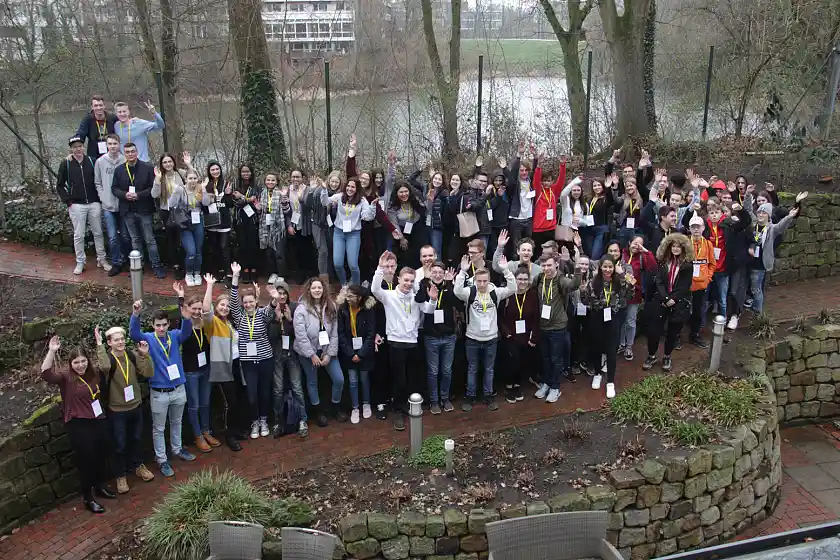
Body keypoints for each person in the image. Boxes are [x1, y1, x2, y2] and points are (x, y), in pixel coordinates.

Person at [40, 337, 115, 513]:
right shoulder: (66, 377)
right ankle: (88, 499)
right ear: (70, 363)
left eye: (83, 361)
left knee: (100, 456)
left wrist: (99, 343)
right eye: (76, 362)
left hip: (97, 419)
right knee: (87, 461)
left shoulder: (93, 373)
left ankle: (99, 486)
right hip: (79, 424)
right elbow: (45, 373)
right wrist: (52, 350)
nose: (80, 365)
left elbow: (103, 375)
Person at [129, 299, 196, 477]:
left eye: (164, 325)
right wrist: (136, 314)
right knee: (158, 428)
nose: (161, 328)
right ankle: (162, 459)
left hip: (178, 388)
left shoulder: (174, 336)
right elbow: (134, 334)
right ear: (152, 325)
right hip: (159, 392)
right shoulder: (149, 339)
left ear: (168, 324)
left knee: (177, 422)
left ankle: (177, 449)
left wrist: (187, 318)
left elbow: (186, 333)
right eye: (158, 325)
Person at [95, 325, 154, 494]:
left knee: (136, 439)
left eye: (122, 339)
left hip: (135, 406)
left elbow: (149, 373)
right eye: (116, 340)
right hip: (117, 410)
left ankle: (138, 466)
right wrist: (99, 345)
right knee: (120, 445)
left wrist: (145, 355)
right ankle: (120, 475)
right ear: (109, 343)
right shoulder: (109, 359)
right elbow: (104, 368)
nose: (120, 342)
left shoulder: (131, 356)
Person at [454, 255, 517, 411]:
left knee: (489, 369)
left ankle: (488, 396)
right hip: (472, 338)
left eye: (485, 281)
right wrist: (462, 272)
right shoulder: (470, 292)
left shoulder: (495, 292)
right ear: (475, 280)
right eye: (479, 281)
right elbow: (457, 291)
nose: (482, 284)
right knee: (472, 368)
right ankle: (470, 396)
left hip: (491, 338)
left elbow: (513, 288)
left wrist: (506, 271)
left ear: (489, 280)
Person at [371, 254, 424, 430]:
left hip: (413, 342)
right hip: (395, 343)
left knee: (412, 379)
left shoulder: (416, 297)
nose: (408, 283)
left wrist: (430, 297)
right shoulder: (389, 295)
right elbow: (374, 289)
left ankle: (410, 406)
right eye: (405, 280)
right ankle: (398, 411)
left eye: (411, 281)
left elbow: (429, 309)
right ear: (398, 279)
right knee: (399, 380)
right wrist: (380, 268)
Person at [229, 262, 277, 438]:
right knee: (251, 395)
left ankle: (264, 420)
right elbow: (233, 301)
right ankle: (254, 421)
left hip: (265, 360)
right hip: (248, 363)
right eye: (246, 302)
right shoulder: (239, 316)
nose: (248, 304)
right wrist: (235, 277)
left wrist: (274, 298)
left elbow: (271, 309)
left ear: (256, 302)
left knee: (265, 392)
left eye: (251, 302)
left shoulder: (262, 314)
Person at [200, 274, 247, 451]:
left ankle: (236, 430)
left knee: (239, 399)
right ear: (216, 307)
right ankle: (229, 435)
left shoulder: (231, 323)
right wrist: (210, 285)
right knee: (230, 402)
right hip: (222, 368)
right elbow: (205, 309)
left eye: (227, 306)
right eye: (221, 305)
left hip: (237, 365)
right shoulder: (212, 323)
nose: (225, 308)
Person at [172, 282, 218, 453]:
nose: (197, 312)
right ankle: (197, 435)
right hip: (191, 371)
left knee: (206, 403)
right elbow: (181, 313)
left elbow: (208, 310)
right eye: (194, 309)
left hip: (205, 370)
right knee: (194, 405)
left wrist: (209, 286)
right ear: (188, 309)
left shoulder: (205, 325)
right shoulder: (184, 327)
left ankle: (206, 431)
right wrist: (180, 297)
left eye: (199, 309)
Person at [581, 258, 636, 399]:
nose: (607, 270)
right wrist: (583, 291)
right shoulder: (594, 282)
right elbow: (585, 300)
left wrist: (622, 274)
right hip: (597, 318)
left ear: (614, 268)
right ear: (600, 268)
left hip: (613, 318)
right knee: (597, 348)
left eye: (610, 267)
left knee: (611, 350)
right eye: (605, 267)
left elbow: (632, 291)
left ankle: (610, 381)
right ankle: (598, 373)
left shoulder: (619, 281)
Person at [294, 276, 345, 427]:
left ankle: (335, 406)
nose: (317, 290)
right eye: (314, 288)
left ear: (324, 290)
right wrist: (311, 355)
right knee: (312, 381)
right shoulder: (301, 309)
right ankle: (318, 412)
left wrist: (329, 353)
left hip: (327, 350)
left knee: (339, 379)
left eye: (319, 288)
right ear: (309, 290)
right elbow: (301, 336)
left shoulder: (331, 306)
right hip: (308, 353)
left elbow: (335, 332)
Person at [57, 135, 110, 276]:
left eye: (80, 146)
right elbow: (60, 185)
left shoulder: (92, 161)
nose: (78, 149)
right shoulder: (66, 164)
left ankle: (102, 259)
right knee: (79, 235)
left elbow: (99, 180)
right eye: (75, 147)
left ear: (83, 147)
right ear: (71, 149)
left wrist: (100, 198)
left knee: (98, 233)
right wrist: (68, 201)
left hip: (94, 203)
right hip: (76, 205)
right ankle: (80, 261)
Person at [112, 142, 165, 278]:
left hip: (144, 209)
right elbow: (114, 188)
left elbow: (152, 188)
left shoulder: (147, 168)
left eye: (132, 151)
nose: (130, 154)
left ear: (137, 152)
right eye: (127, 152)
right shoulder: (119, 170)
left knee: (149, 239)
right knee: (134, 239)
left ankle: (156, 265)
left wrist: (138, 195)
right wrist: (125, 195)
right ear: (124, 154)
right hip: (127, 210)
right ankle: (138, 266)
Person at [534, 252, 582, 402]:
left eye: (549, 265)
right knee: (545, 358)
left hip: (558, 326)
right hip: (543, 326)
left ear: (556, 264)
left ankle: (555, 387)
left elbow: (574, 284)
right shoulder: (540, 278)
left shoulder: (560, 279)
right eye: (544, 265)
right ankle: (547, 383)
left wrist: (577, 266)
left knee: (556, 358)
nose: (546, 268)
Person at [643, 234, 694, 372]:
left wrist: (673, 299)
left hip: (677, 302)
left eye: (679, 246)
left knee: (672, 332)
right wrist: (666, 298)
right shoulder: (663, 261)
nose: (676, 249)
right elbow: (658, 281)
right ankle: (651, 355)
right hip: (661, 301)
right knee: (654, 331)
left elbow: (685, 285)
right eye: (674, 246)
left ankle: (667, 356)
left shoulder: (687, 265)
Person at [747, 198, 804, 314]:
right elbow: (748, 210)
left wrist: (789, 217)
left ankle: (757, 312)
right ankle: (758, 308)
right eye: (759, 212)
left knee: (755, 289)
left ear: (769, 215)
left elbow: (781, 226)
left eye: (764, 212)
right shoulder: (754, 224)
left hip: (761, 264)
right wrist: (747, 195)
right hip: (751, 262)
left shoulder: (771, 228)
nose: (761, 214)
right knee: (759, 288)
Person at [415, 262, 458, 413]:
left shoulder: (448, 286)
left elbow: (455, 302)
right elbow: (419, 300)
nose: (438, 275)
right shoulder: (423, 284)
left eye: (441, 272)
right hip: (431, 336)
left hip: (448, 335)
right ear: (430, 273)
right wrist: (430, 293)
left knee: (446, 370)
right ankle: (434, 401)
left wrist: (451, 283)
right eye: (435, 272)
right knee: (433, 371)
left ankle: (445, 398)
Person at [268, 277, 308, 437]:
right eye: (279, 293)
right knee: (277, 389)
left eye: (284, 293)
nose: (282, 296)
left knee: (297, 387)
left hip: (292, 351)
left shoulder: (295, 307)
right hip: (277, 352)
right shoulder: (270, 309)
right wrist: (277, 319)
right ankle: (278, 421)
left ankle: (302, 419)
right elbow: (270, 336)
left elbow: (299, 334)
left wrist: (290, 319)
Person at [498, 265, 541, 403]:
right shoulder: (508, 294)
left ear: (528, 280)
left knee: (522, 361)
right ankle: (509, 386)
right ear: (515, 279)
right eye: (519, 279)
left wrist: (534, 336)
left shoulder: (532, 295)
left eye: (524, 279)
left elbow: (536, 317)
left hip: (526, 336)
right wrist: (505, 332)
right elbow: (499, 316)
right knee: (512, 361)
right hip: (511, 335)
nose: (522, 282)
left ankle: (517, 385)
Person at [323, 176, 377, 285]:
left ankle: (356, 287)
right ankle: (344, 284)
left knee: (353, 265)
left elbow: (367, 217)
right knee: (337, 263)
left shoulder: (362, 200)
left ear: (357, 188)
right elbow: (325, 202)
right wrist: (324, 190)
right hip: (339, 233)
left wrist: (372, 207)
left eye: (353, 187)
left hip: (353, 234)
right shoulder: (340, 196)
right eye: (348, 186)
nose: (350, 189)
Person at [337, 285, 376, 423]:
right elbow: (340, 333)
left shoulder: (368, 309)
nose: (347, 298)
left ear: (359, 297)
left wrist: (361, 353)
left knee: (364, 379)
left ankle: (366, 404)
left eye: (351, 296)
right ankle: (355, 407)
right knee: (352, 381)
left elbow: (371, 334)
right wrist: (350, 353)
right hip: (349, 353)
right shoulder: (342, 310)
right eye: (347, 296)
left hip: (364, 353)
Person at [152, 151, 192, 279]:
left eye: (170, 161)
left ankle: (185, 264)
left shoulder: (180, 173)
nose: (168, 164)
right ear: (161, 164)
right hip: (167, 212)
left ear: (173, 162)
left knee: (183, 238)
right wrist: (157, 180)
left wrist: (189, 165)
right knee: (171, 239)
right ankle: (175, 266)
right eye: (165, 162)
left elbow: (195, 178)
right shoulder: (160, 176)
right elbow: (154, 194)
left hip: (182, 211)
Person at [168, 170, 212, 286]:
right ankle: (188, 273)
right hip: (185, 222)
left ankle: (197, 273)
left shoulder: (199, 189)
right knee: (191, 251)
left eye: (195, 178)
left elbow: (206, 203)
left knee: (198, 251)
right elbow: (171, 204)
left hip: (198, 221)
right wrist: (175, 192)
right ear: (186, 179)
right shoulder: (181, 189)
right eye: (190, 178)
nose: (193, 181)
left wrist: (203, 190)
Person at [94, 134, 129, 277]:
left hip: (123, 205)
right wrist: (103, 198)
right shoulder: (100, 162)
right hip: (108, 206)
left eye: (115, 143)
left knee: (126, 235)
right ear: (106, 145)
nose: (113, 146)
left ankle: (126, 260)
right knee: (113, 236)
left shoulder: (125, 159)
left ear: (119, 144)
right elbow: (98, 183)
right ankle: (116, 263)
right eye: (110, 144)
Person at [617, 235, 657, 361]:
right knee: (620, 321)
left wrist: (646, 251)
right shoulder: (621, 254)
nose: (636, 246)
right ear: (629, 242)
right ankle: (621, 344)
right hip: (619, 294)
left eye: (640, 244)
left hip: (634, 294)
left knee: (630, 320)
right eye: (635, 243)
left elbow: (653, 268)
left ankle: (629, 346)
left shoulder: (641, 258)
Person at [686, 215, 717, 348]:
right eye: (693, 227)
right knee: (683, 311)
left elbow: (712, 264)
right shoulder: (685, 243)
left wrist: (707, 278)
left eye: (698, 226)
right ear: (689, 229)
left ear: (703, 228)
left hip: (701, 285)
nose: (696, 229)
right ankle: (676, 337)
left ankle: (695, 336)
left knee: (698, 312)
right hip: (686, 285)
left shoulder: (708, 244)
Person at [203, 162, 235, 283]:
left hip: (224, 221)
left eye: (217, 169)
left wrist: (228, 194)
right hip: (211, 221)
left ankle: (228, 272)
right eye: (213, 170)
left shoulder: (226, 184)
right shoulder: (206, 185)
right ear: (209, 172)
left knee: (224, 247)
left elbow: (230, 205)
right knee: (214, 248)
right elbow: (203, 203)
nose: (215, 171)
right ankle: (216, 272)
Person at [531, 154, 567, 252]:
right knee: (538, 253)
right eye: (544, 181)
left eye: (549, 181)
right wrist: (539, 166)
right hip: (538, 229)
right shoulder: (538, 191)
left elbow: (561, 180)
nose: (547, 183)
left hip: (550, 229)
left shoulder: (554, 192)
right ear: (542, 182)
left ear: (552, 182)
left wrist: (562, 165)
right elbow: (535, 181)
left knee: (550, 253)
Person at [232, 164, 261, 283]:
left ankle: (253, 270)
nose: (245, 174)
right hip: (240, 220)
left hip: (253, 220)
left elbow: (257, 201)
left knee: (253, 246)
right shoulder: (236, 185)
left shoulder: (256, 186)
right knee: (242, 246)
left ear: (251, 173)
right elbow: (236, 202)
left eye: (247, 171)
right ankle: (245, 269)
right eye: (243, 172)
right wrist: (249, 199)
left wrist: (243, 197)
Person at [388, 180, 426, 269]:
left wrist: (429, 201)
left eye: (406, 191)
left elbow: (425, 209)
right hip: (402, 231)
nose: (404, 194)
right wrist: (401, 238)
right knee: (405, 256)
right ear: (396, 193)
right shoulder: (392, 206)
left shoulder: (415, 199)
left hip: (417, 228)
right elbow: (394, 223)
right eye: (401, 192)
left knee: (418, 253)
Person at [258, 171, 287, 286]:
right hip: (266, 226)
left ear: (277, 182)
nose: (270, 182)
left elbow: (286, 210)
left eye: (273, 180)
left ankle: (281, 274)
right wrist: (258, 209)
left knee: (279, 252)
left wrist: (284, 198)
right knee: (269, 253)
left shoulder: (280, 193)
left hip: (278, 227)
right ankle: (273, 273)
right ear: (265, 181)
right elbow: (261, 211)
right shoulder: (263, 193)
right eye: (268, 180)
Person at [580, 178, 614, 260]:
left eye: (599, 185)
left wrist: (608, 188)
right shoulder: (588, 198)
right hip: (588, 228)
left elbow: (611, 199)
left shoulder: (605, 198)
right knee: (589, 253)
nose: (596, 187)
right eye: (594, 185)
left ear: (602, 186)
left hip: (601, 229)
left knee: (595, 255)